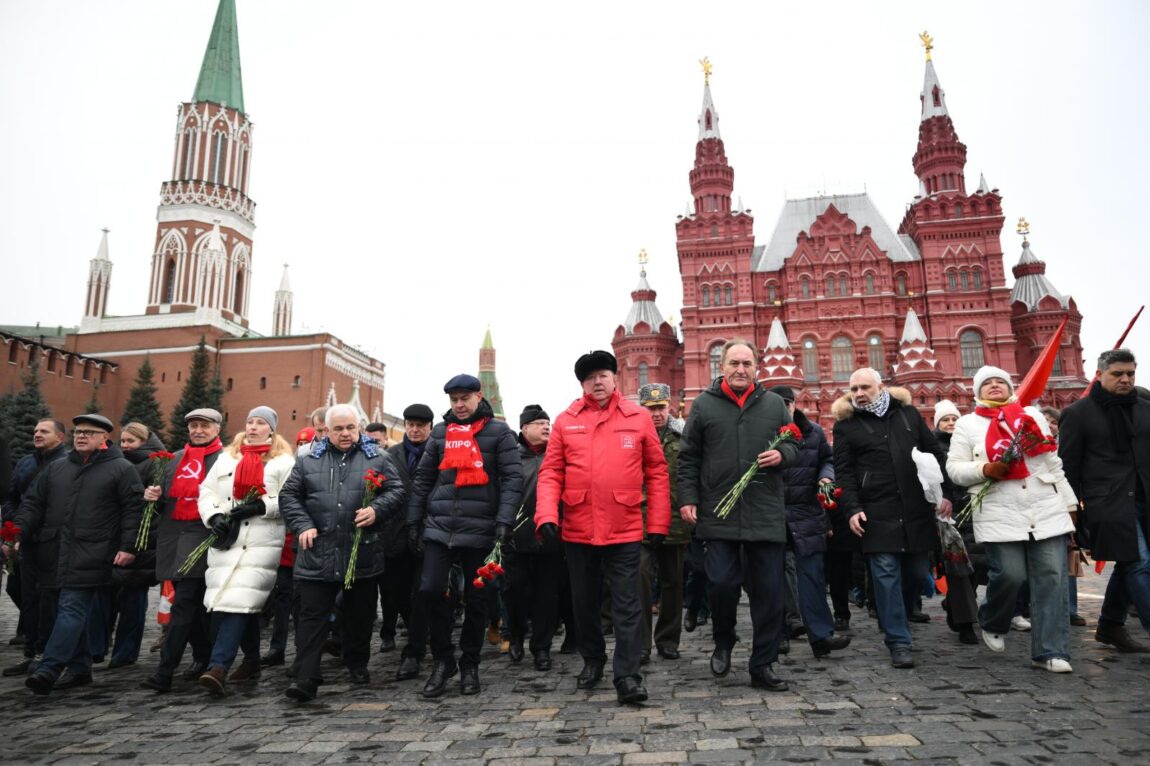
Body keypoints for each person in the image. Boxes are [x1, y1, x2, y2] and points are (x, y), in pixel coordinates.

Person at [536, 351, 670, 705]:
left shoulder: (638, 418)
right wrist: (546, 515)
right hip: (578, 529)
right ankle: (593, 658)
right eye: (590, 377)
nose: (598, 382)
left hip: (625, 527)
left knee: (628, 604)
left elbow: (657, 472)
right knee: (584, 603)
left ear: (615, 379)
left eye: (604, 375)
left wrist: (657, 522)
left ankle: (627, 675)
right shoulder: (566, 421)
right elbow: (551, 473)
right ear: (582, 384)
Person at [678, 341, 799, 691]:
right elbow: (688, 458)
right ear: (722, 365)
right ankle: (724, 638)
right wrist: (688, 498)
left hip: (764, 512)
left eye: (747, 363)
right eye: (734, 363)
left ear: (756, 367)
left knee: (768, 593)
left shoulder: (775, 405)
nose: (740, 369)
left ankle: (762, 664)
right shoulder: (703, 405)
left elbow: (794, 442)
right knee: (721, 584)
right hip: (719, 512)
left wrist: (784, 456)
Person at [947, 366, 1076, 672]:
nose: (994, 386)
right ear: (977, 392)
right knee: (1010, 575)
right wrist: (984, 470)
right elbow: (954, 469)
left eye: (1000, 382)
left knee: (1051, 579)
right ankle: (992, 618)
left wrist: (1069, 502)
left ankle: (1051, 651)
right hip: (998, 511)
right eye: (987, 383)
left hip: (1044, 506)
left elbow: (1052, 462)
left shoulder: (1031, 416)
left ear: (1010, 388)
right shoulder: (967, 424)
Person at [279, 404, 406, 701]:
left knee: (359, 615)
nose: (345, 434)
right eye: (338, 429)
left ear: (359, 427)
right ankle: (306, 677)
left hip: (360, 551)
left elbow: (397, 491)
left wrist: (377, 510)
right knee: (311, 617)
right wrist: (303, 525)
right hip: (318, 551)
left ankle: (357, 662)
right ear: (327, 430)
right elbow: (289, 495)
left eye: (350, 428)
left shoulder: (378, 457)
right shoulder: (309, 458)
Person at [407, 375, 522, 698]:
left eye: (464, 399)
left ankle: (470, 662)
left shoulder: (498, 433)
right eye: (454, 400)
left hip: (482, 527)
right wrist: (414, 521)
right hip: (440, 526)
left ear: (478, 396)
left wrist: (504, 521)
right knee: (429, 590)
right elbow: (424, 479)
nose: (459, 405)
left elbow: (512, 480)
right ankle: (444, 660)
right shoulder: (441, 433)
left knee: (477, 599)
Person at [832, 367, 952, 669]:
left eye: (864, 387)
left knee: (915, 575)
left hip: (914, 508)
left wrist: (945, 493)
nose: (858, 394)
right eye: (853, 389)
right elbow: (843, 472)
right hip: (875, 510)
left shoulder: (909, 415)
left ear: (880, 387)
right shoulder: (846, 426)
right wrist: (852, 508)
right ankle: (898, 640)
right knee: (885, 575)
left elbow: (934, 452)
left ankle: (896, 617)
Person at [17, 413, 143, 694]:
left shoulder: (121, 469)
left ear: (103, 438)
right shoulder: (57, 469)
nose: (81, 436)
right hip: (54, 550)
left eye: (88, 432)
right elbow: (33, 505)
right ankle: (79, 668)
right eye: (78, 432)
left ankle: (49, 667)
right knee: (62, 610)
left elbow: (133, 511)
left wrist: (128, 547)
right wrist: (16, 533)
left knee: (71, 608)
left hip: (94, 551)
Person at [196, 406, 295, 695]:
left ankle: (218, 667)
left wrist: (263, 505)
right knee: (240, 603)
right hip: (228, 539)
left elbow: (290, 498)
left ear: (271, 429)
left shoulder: (282, 462)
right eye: (249, 421)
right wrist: (214, 517)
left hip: (261, 541)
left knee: (238, 602)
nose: (252, 427)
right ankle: (252, 660)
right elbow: (208, 491)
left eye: (260, 423)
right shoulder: (228, 457)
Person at [1060, 348, 1150, 652]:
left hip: (1144, 499)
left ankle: (1110, 625)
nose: (1125, 379)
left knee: (1128, 565)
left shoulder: (1144, 408)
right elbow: (1068, 466)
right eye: (1118, 374)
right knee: (1139, 563)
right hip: (1107, 503)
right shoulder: (1077, 414)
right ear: (1099, 375)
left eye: (1130, 374)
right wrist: (1070, 509)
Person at [139, 409, 226, 691]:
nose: (198, 430)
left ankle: (164, 672)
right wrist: (154, 497)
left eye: (204, 426)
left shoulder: (225, 460)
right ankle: (203, 656)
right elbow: (165, 500)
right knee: (194, 607)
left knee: (183, 604)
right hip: (172, 538)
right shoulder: (175, 459)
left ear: (217, 429)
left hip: (202, 537)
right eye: (194, 426)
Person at [769, 385, 851, 659]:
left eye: (787, 404)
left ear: (794, 405)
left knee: (813, 577)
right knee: (774, 578)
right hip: (772, 514)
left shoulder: (813, 432)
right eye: (777, 404)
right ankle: (777, 635)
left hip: (807, 513)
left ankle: (821, 636)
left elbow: (828, 460)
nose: (784, 409)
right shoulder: (762, 433)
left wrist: (826, 476)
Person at [86, 423, 165, 669]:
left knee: (133, 600)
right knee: (102, 595)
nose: (126, 446)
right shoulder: (117, 463)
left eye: (131, 441)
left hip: (142, 542)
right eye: (123, 441)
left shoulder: (156, 465)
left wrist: (136, 543)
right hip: (115, 538)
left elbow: (154, 508)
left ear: (144, 441)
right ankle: (96, 648)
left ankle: (125, 653)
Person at [1, 418, 69, 677]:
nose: (37, 435)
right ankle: (31, 651)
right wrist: (13, 527)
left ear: (60, 437)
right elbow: (12, 496)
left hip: (53, 540)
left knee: (48, 598)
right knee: (25, 594)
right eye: (35, 431)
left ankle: (47, 652)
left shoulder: (65, 464)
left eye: (44, 431)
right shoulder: (27, 462)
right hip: (25, 537)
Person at [502, 404, 562, 671]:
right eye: (539, 423)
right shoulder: (511, 457)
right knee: (516, 593)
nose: (546, 426)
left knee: (547, 596)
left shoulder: (557, 456)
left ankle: (542, 648)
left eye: (548, 422)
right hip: (517, 538)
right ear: (524, 428)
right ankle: (515, 635)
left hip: (550, 538)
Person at [637, 383, 690, 664]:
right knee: (641, 580)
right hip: (641, 519)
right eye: (650, 409)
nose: (656, 414)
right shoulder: (633, 436)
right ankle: (642, 643)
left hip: (675, 520)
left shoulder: (684, 435)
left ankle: (668, 640)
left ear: (669, 405)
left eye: (660, 408)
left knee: (673, 582)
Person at [382, 404, 434, 678]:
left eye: (420, 426)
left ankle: (414, 650)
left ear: (429, 428)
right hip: (395, 534)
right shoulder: (390, 456)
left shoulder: (438, 453)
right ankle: (417, 628)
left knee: (421, 592)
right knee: (397, 592)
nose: (415, 430)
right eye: (411, 425)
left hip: (427, 534)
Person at [931, 400, 982, 645]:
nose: (951, 423)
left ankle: (955, 605)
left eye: (954, 419)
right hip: (948, 516)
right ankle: (965, 624)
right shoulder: (931, 447)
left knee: (979, 566)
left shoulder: (973, 441)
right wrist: (942, 498)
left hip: (978, 510)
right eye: (945, 420)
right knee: (959, 569)